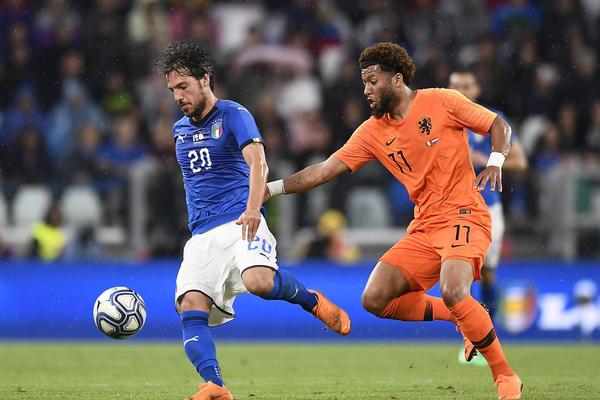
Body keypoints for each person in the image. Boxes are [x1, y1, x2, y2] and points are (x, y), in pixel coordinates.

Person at [266, 42, 522, 400]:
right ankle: (463, 315)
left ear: (397, 79)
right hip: (425, 226)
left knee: (453, 288)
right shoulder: (372, 131)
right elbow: (323, 170)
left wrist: (495, 161)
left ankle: (505, 376)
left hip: (465, 213)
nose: (366, 90)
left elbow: (498, 125)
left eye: (373, 82)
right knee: (375, 299)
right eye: (364, 83)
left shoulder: (442, 101)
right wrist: (269, 189)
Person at [156, 40, 350, 400]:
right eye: (172, 90)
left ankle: (311, 300)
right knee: (190, 307)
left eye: (183, 86)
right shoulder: (179, 130)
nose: (178, 96)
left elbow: (258, 163)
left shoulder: (233, 114)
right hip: (202, 235)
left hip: (241, 220)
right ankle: (215, 385)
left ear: (205, 79)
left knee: (259, 282)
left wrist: (251, 207)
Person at [449, 69, 528, 365]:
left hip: (488, 207)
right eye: (455, 85)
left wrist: (485, 161)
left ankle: (486, 339)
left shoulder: (492, 121)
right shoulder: (442, 120)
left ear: (477, 90)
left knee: (487, 274)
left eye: (466, 85)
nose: (460, 90)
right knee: (460, 275)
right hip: (452, 209)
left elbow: (520, 161)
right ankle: (470, 340)